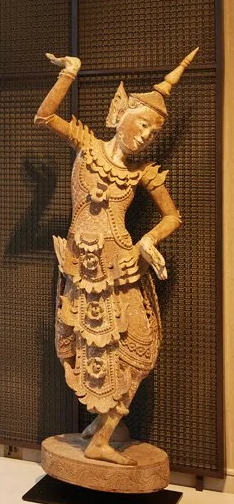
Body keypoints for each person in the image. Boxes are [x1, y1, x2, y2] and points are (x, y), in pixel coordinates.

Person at [34, 49, 197, 465]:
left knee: (137, 346)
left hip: (122, 264)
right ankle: (101, 427)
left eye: (153, 132)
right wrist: (70, 74)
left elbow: (173, 217)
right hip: (80, 262)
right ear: (121, 112)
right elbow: (45, 117)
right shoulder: (87, 147)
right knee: (80, 343)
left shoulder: (142, 172)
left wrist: (147, 242)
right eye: (142, 123)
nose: (145, 135)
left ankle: (103, 434)